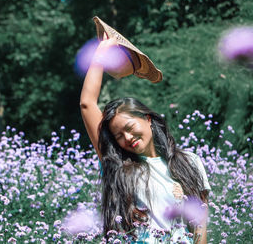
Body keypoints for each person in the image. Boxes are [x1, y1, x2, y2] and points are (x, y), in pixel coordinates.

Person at [79, 33, 211, 243]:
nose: (127, 138)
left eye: (130, 128)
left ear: (148, 119)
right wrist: (102, 53)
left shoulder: (191, 162)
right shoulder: (119, 166)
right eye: (119, 136)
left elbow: (200, 230)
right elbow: (87, 103)